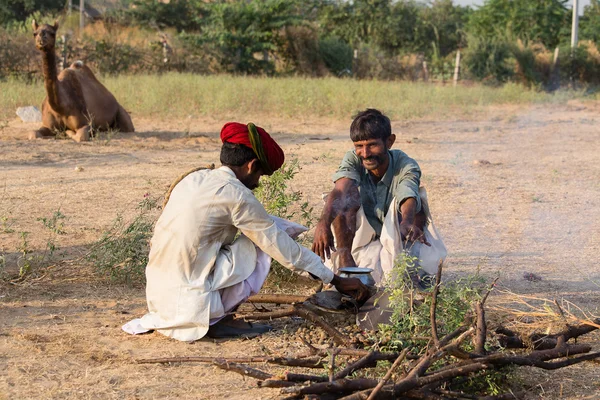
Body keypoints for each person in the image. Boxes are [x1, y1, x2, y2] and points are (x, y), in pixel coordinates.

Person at [123, 122, 369, 342]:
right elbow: (282, 249)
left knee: (268, 228)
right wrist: (336, 280)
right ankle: (218, 319)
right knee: (267, 241)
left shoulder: (195, 178)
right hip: (190, 306)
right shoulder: (237, 195)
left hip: (159, 298)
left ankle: (215, 312)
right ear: (251, 165)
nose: (258, 182)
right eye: (260, 174)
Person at [312, 109, 446, 286]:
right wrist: (323, 223)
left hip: (400, 230)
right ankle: (346, 259)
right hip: (367, 233)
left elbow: (408, 194)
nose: (365, 154)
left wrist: (407, 221)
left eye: (372, 145)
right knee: (345, 194)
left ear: (389, 141)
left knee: (416, 203)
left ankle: (409, 264)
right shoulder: (353, 159)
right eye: (359, 146)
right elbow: (340, 190)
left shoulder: (405, 164)